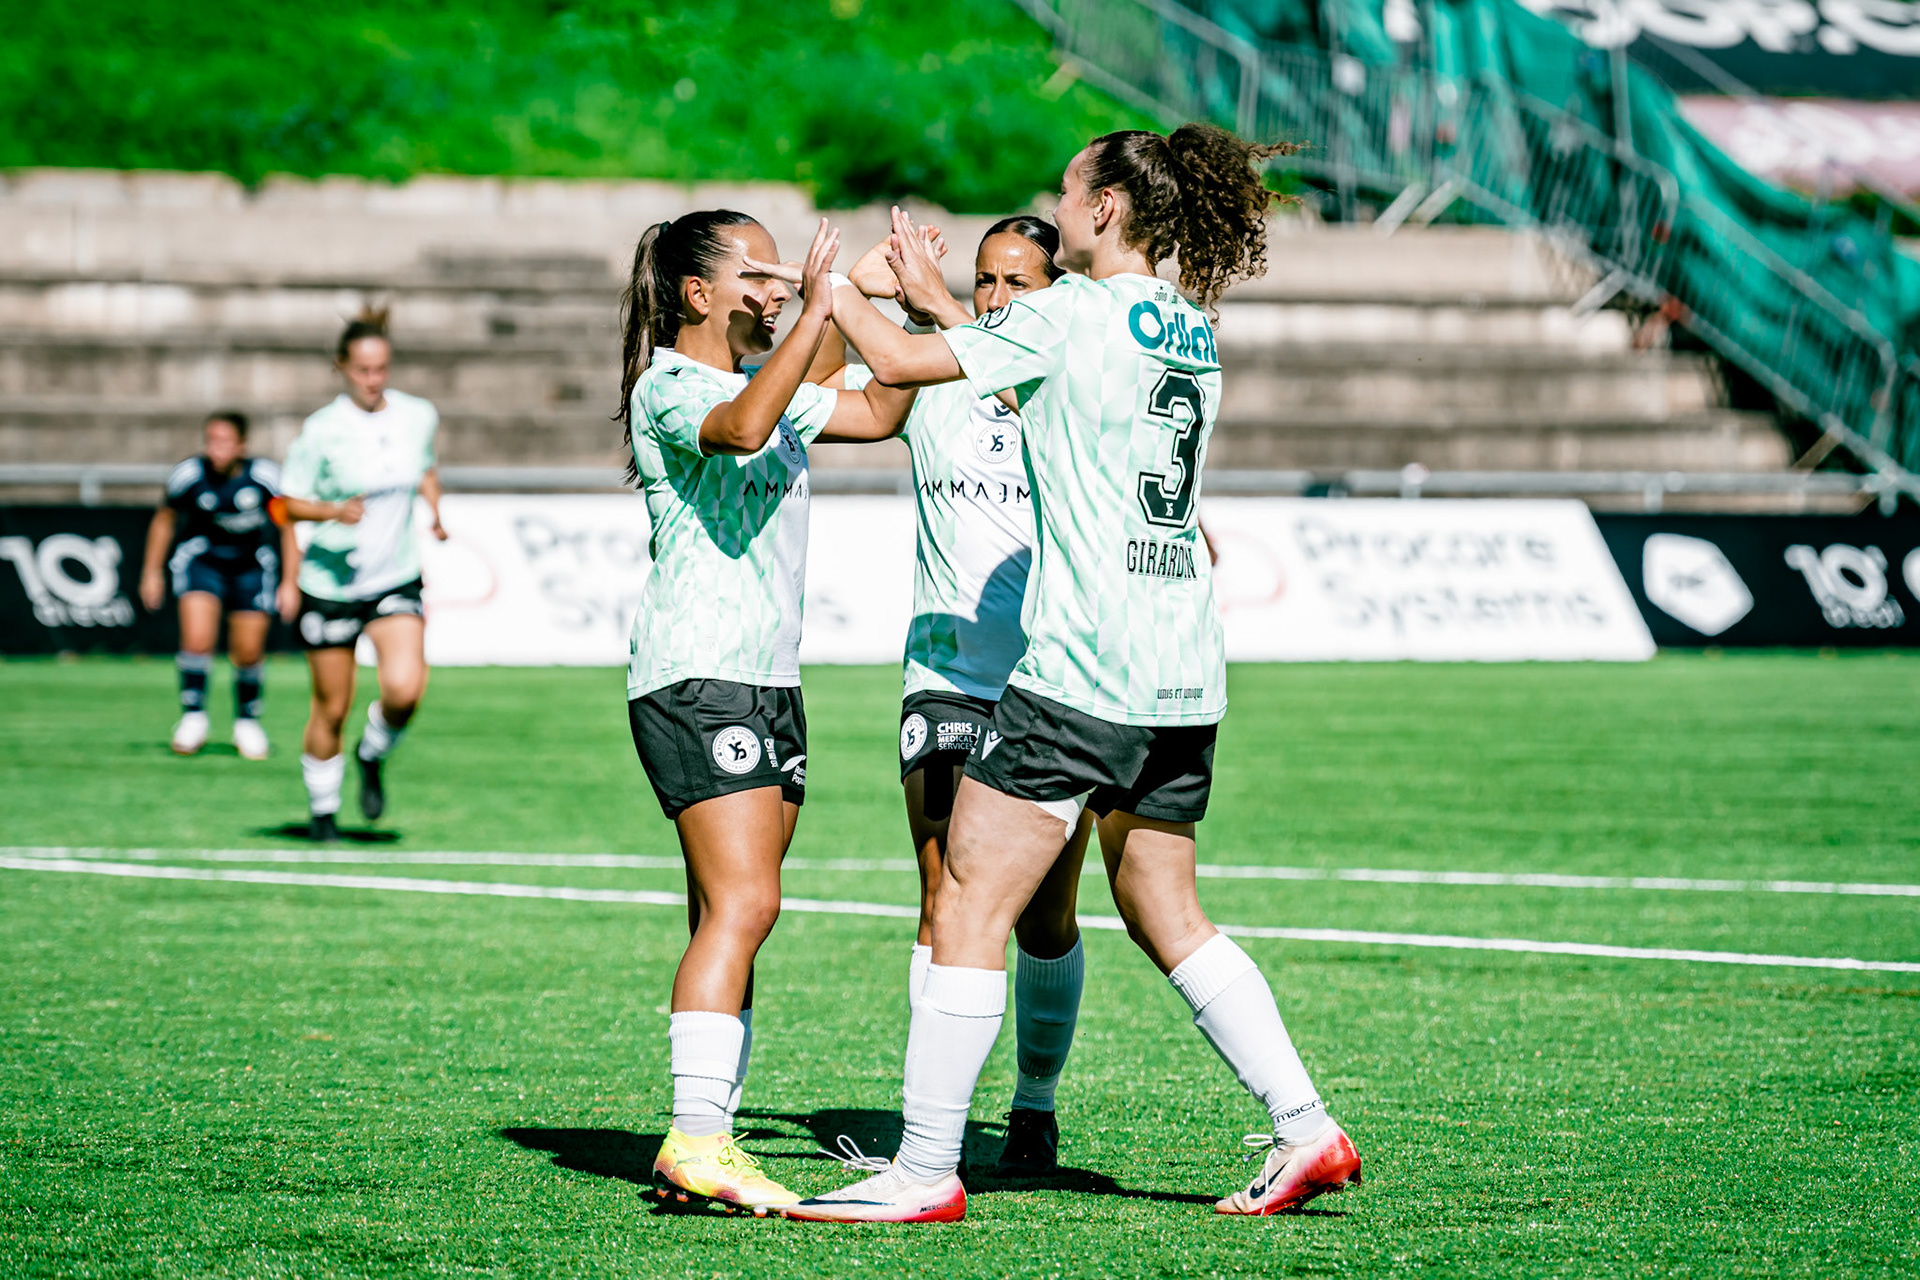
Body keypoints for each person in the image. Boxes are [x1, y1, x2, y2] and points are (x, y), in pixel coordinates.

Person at [787, 124, 1361, 1224]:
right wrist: (942, 306)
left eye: (1067, 189)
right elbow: (1032, 377)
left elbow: (905, 366)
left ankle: (921, 1168)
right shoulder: (1189, 325)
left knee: (964, 898)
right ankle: (1303, 1125)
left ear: (1103, 210)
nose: (1058, 199)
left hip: (1083, 665)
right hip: (1183, 668)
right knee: (1164, 905)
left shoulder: (1068, 312)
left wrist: (843, 290)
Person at [619, 212, 916, 1216]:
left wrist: (867, 296)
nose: (775, 284)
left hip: (768, 678)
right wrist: (824, 303)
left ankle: (710, 1136)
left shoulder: (768, 379)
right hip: (698, 673)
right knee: (748, 903)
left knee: (730, 909)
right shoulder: (671, 384)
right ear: (698, 294)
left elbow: (879, 410)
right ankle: (696, 1134)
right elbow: (743, 428)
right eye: (755, 271)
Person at [831, 217, 1092, 1179]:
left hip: (1054, 679)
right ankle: (923, 1132)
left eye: (1017, 281)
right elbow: (821, 401)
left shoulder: (1065, 381)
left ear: (1056, 288)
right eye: (983, 281)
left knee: (1047, 919)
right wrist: (846, 293)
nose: (995, 299)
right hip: (946, 678)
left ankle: (1034, 1104)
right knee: (944, 894)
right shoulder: (933, 374)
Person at [278, 308, 446, 842]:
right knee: (332, 705)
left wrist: (435, 509)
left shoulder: (417, 415)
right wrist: (331, 512)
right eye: (363, 370)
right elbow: (283, 506)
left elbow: (423, 467)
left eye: (381, 369)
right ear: (342, 369)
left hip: (394, 576)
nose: (374, 380)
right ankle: (323, 813)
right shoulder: (321, 431)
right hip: (329, 585)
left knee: (405, 690)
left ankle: (371, 754)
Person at [139, 411, 299, 759]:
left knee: (248, 651)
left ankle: (247, 722)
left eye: (225, 442)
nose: (217, 449)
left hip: (253, 566)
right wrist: (151, 571)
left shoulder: (266, 478)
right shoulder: (189, 475)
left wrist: (290, 581)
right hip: (203, 561)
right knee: (197, 639)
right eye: (211, 441)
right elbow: (164, 521)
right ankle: (193, 718)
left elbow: (288, 528)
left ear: (241, 445)